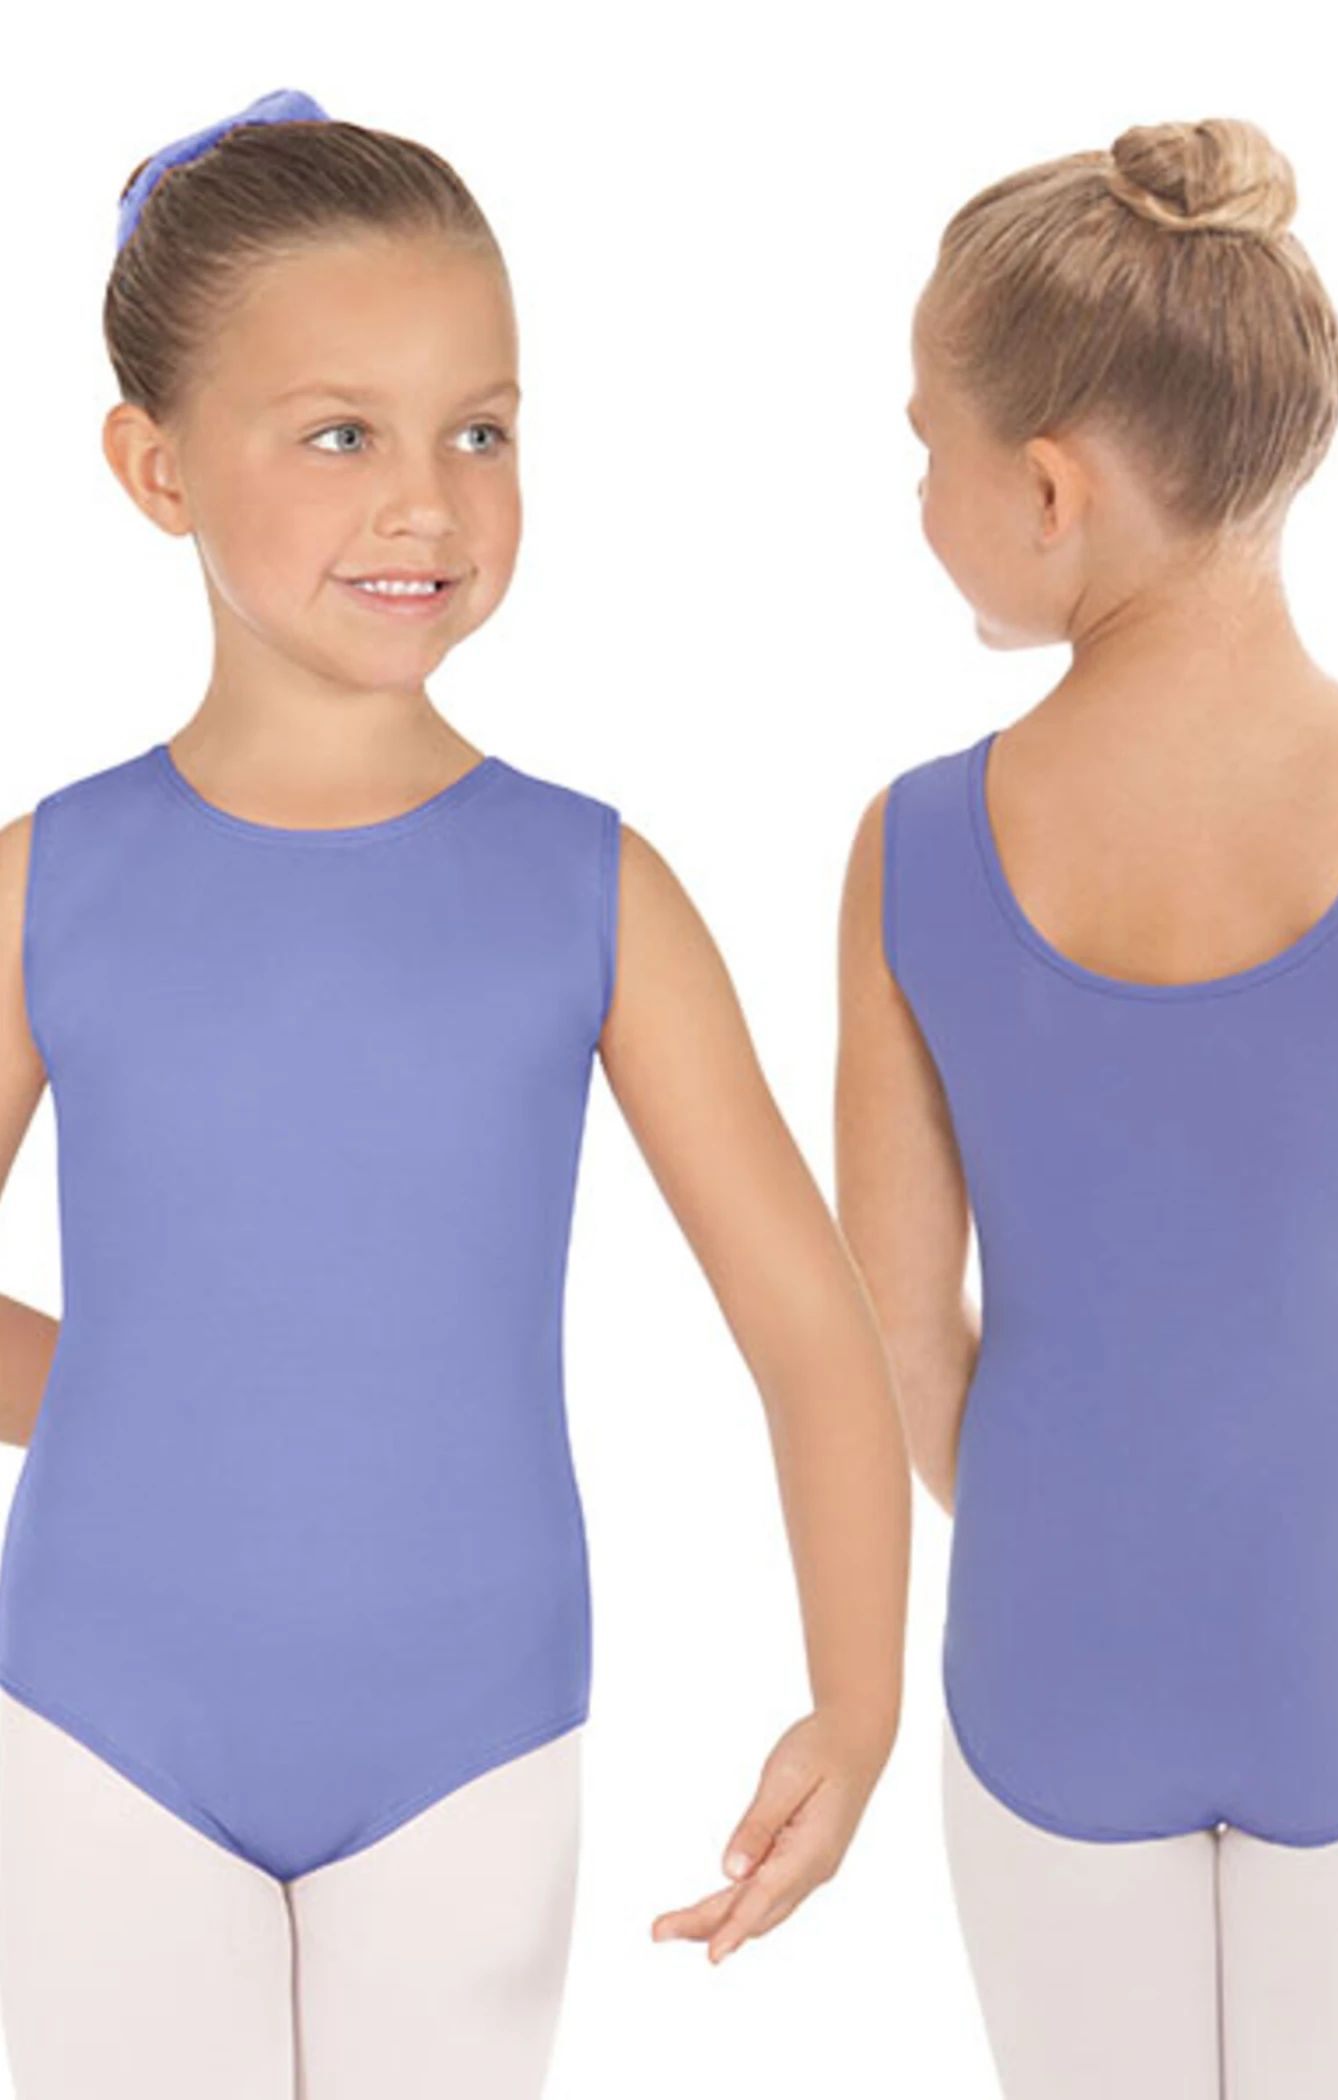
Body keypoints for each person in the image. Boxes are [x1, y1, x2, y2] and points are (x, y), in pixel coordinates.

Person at [0, 88, 911, 2100]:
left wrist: (856, 1710)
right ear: (155, 467)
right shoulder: (46, 885)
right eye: (342, 435)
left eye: (479, 432)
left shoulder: (592, 889)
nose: (428, 501)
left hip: (470, 1741)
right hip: (95, 1725)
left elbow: (809, 1328)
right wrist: (146, 1399)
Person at [835, 116, 1338, 2100]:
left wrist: (1078, 1525)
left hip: (1055, 1632)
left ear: (1050, 488)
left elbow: (893, 1335)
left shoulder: (915, 847)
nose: (918, 494)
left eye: (927, 445)